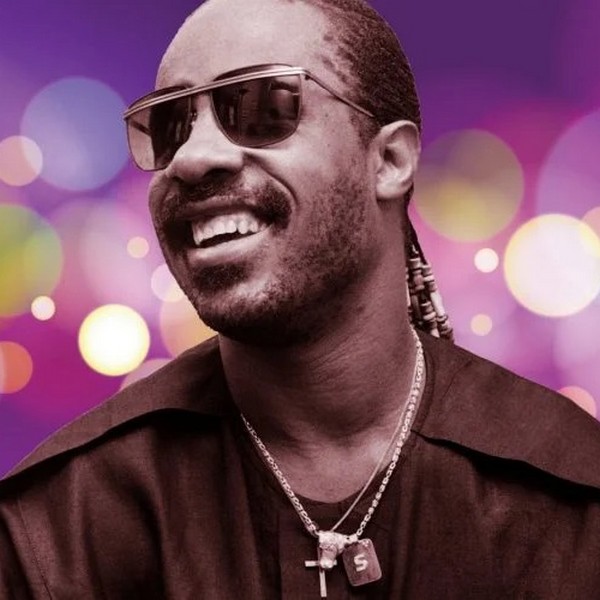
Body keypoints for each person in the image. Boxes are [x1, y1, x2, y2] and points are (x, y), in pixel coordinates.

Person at [2, 0, 600, 598]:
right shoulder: (57, 528)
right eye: (170, 127)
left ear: (390, 160)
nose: (191, 158)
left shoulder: (573, 500)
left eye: (262, 107)